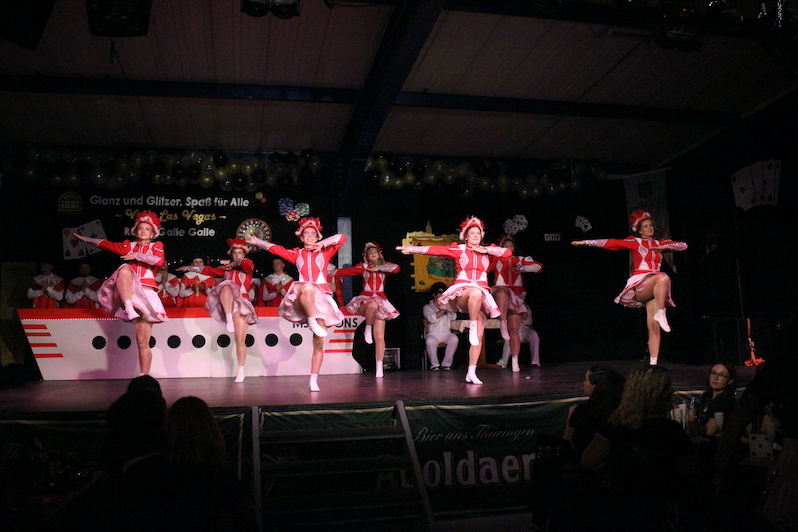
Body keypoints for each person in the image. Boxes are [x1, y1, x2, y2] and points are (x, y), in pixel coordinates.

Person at [581, 364, 703, 531]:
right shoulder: (669, 431)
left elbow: (589, 461)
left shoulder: (615, 425)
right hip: (656, 513)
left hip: (622, 512)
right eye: (666, 387)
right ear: (650, 392)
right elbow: (692, 473)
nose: (672, 391)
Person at [397, 216, 511, 385]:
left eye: (478, 233)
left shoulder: (488, 251)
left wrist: (486, 250)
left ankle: (471, 372)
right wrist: (412, 249)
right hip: (463, 292)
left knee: (478, 335)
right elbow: (436, 250)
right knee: (474, 293)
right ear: (466, 236)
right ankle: (472, 324)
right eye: (471, 233)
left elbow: (507, 253)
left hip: (481, 295)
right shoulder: (460, 249)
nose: (475, 236)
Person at [572, 210, 688, 365]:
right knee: (664, 277)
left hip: (655, 288)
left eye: (651, 225)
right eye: (645, 226)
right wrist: (587, 242)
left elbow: (683, 246)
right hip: (641, 284)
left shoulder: (659, 243)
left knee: (653, 326)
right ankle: (661, 313)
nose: (649, 228)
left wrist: (665, 247)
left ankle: (653, 364)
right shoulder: (635, 242)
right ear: (639, 230)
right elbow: (611, 243)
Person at [247, 217, 345, 392]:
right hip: (303, 296)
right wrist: (257, 241)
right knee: (307, 286)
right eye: (306, 233)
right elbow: (275, 249)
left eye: (313, 233)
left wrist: (322, 244)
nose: (310, 236)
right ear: (301, 237)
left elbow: (341, 237)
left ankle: (313, 379)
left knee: (319, 342)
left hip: (321, 299)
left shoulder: (325, 253)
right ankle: (311, 320)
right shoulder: (297, 254)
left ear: (317, 236)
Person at [73, 211, 168, 376]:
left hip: (146, 293)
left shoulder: (156, 246)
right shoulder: (128, 246)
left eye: (147, 229)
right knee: (124, 268)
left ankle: (143, 377)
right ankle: (128, 305)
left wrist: (136, 255)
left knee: (142, 342)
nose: (143, 231)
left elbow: (158, 261)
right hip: (128, 292)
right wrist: (87, 239)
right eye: (140, 228)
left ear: (153, 233)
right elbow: (108, 245)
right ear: (135, 231)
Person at [177, 240, 259, 383]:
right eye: (234, 253)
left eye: (239, 253)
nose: (237, 255)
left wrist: (234, 264)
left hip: (242, 303)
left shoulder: (247, 267)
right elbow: (207, 270)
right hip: (228, 302)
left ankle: (241, 370)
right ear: (231, 254)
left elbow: (246, 263)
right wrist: (189, 268)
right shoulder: (225, 269)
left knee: (240, 340)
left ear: (244, 254)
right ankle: (228, 317)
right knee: (226, 286)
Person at [335, 242, 400, 378]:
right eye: (370, 253)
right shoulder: (363, 267)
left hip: (381, 300)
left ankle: (379, 367)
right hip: (365, 300)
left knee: (380, 336)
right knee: (372, 304)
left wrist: (379, 268)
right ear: (366, 256)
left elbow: (396, 268)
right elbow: (345, 272)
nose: (373, 254)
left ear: (379, 254)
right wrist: (328, 272)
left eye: (374, 252)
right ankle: (367, 329)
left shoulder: (385, 267)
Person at [490, 235, 542, 372]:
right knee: (501, 292)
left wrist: (523, 269)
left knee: (514, 330)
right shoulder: (496, 260)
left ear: (514, 248)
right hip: (502, 292)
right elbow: (484, 268)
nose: (508, 248)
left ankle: (514, 360)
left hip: (516, 296)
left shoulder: (520, 260)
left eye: (510, 246)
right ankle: (502, 322)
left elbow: (538, 267)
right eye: (505, 246)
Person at [564, 365, 626, 458]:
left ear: (596, 386)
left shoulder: (583, 411)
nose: (584, 383)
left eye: (586, 380)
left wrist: (570, 419)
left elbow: (567, 446)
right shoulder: (623, 412)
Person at [423, 282, 459, 371]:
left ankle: (446, 364)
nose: (442, 294)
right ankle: (434, 365)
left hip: (446, 333)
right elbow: (431, 319)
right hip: (434, 334)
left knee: (454, 338)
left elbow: (453, 317)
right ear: (434, 294)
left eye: (444, 292)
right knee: (429, 341)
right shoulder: (428, 307)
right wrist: (443, 310)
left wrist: (448, 307)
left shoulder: (447, 305)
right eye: (440, 292)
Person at [496, 303, 540, 369]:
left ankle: (535, 361)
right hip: (510, 332)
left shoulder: (527, 308)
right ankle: (503, 362)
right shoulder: (508, 307)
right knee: (509, 340)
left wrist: (524, 315)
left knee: (533, 334)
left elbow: (529, 323)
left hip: (523, 331)